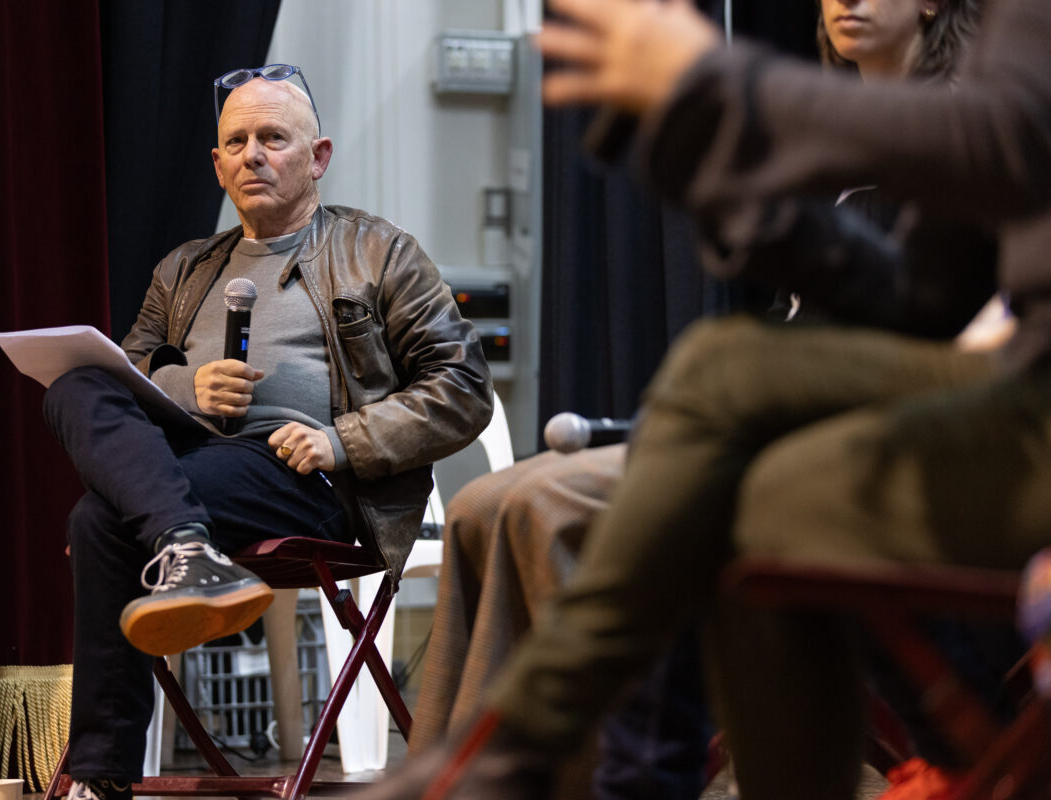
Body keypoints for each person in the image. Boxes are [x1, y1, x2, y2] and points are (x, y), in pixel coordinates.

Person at [357, 0, 1051, 796]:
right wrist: (713, 163)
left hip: (1015, 402)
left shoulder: (964, 101)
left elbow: (1007, 134)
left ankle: (529, 748)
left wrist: (720, 85)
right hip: (1012, 395)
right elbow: (921, 295)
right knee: (754, 497)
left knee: (718, 385)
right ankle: (531, 752)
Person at [42, 65, 493, 800]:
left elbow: (463, 386)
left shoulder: (379, 253)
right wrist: (185, 385)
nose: (252, 154)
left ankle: (99, 775)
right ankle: (185, 545)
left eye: (273, 138)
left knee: (99, 520)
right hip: (192, 465)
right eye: (236, 141)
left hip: (311, 479)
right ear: (217, 165)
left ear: (318, 157)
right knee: (74, 383)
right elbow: (128, 372)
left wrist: (343, 439)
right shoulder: (183, 269)